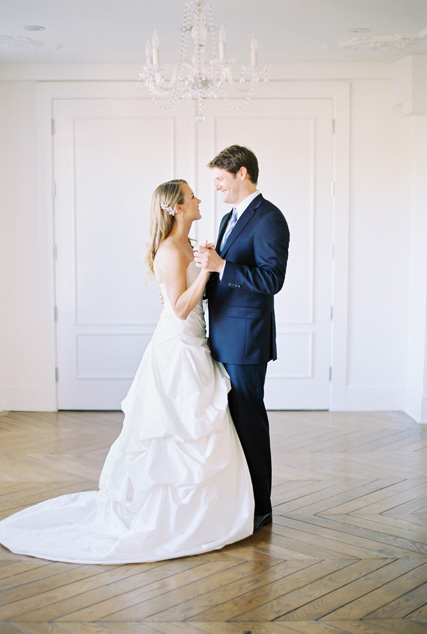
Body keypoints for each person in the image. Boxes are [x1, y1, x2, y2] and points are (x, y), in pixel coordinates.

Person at [0, 179, 254, 564]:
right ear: (177, 209)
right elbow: (179, 308)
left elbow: (191, 296)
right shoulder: (168, 250)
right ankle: (168, 516)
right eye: (191, 196)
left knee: (198, 428)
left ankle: (209, 512)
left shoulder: (191, 244)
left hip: (196, 339)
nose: (199, 200)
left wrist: (206, 263)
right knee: (175, 430)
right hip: (178, 345)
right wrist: (207, 273)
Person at [194, 146, 290, 533]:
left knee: (249, 420)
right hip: (223, 334)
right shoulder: (227, 218)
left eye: (220, 179)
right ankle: (239, 500)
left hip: (247, 339)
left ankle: (260, 508)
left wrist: (223, 265)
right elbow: (223, 278)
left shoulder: (269, 218)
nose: (216, 186)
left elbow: (272, 280)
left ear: (242, 174)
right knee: (230, 421)